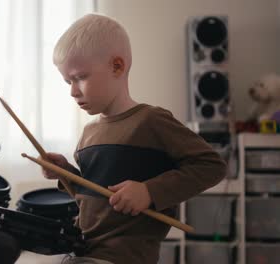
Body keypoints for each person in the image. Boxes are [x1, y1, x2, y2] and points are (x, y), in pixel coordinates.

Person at [41, 13, 227, 264]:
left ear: (117, 66)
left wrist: (149, 192)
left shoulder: (150, 121)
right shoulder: (89, 133)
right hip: (84, 250)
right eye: (68, 82)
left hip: (125, 257)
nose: (73, 91)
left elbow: (211, 166)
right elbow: (95, 199)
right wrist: (65, 172)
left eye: (81, 77)